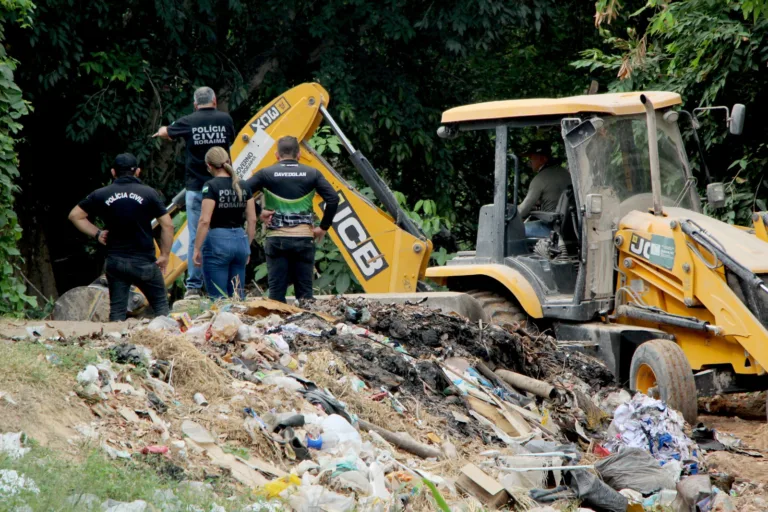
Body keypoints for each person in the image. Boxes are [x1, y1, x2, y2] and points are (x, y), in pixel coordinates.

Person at [69, 153, 174, 321]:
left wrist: (97, 233)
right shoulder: (149, 193)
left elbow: (75, 215)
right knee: (161, 308)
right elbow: (168, 225)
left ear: (113, 172)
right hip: (145, 263)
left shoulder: (101, 194)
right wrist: (165, 255)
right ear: (138, 172)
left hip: (116, 263)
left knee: (117, 313)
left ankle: (115, 343)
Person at [153, 86, 236, 299]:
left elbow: (165, 133)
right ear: (215, 101)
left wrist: (163, 130)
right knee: (224, 233)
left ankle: (193, 287)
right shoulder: (225, 119)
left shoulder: (189, 120)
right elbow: (231, 141)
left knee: (194, 238)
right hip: (223, 188)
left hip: (197, 188)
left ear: (195, 104)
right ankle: (223, 286)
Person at [245, 136, 339, 303]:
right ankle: (307, 325)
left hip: (277, 239)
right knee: (305, 296)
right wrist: (323, 228)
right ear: (299, 154)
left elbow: (241, 191)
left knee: (276, 295)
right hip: (304, 238)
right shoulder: (312, 173)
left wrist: (259, 212)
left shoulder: (266, 173)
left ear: (276, 155)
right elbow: (333, 199)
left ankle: (276, 328)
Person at [192, 147, 257, 299]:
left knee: (218, 298)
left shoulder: (211, 186)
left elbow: (204, 220)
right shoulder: (243, 185)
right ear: (228, 161)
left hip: (218, 241)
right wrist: (247, 245)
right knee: (237, 297)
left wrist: (196, 248)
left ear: (209, 166)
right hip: (240, 239)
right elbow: (252, 219)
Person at [518, 142, 571, 238]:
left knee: (514, 230)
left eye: (532, 158)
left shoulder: (539, 179)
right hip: (569, 227)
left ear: (543, 159)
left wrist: (512, 211)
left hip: (551, 228)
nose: (530, 161)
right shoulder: (566, 173)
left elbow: (523, 211)